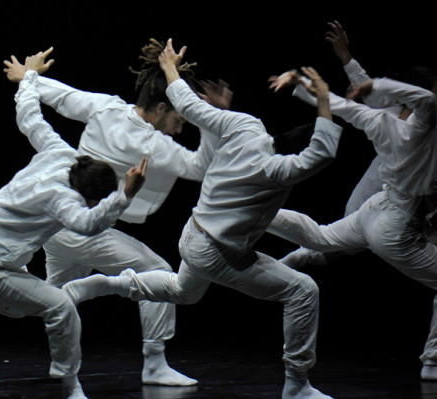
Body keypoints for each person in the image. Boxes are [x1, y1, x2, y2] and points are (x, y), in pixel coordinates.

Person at [62, 39, 344, 399]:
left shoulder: (246, 127)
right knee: (303, 291)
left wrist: (170, 70)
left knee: (183, 292)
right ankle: (297, 384)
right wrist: (323, 101)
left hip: (193, 235)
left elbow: (192, 107)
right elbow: (321, 154)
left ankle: (106, 285)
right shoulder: (278, 170)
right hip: (217, 251)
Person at [0, 40, 228, 387]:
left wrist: (28, 77)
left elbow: (62, 96)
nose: (179, 127)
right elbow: (202, 167)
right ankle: (154, 363)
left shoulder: (107, 107)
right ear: (159, 107)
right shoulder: (155, 146)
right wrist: (211, 122)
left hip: (56, 225)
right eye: (179, 118)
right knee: (156, 271)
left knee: (51, 297)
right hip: (84, 226)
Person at [0, 52, 147, 399]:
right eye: (94, 200)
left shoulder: (62, 152)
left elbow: (31, 118)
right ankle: (71, 385)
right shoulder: (65, 201)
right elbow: (86, 225)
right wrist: (124, 196)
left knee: (13, 305)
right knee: (58, 305)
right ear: (86, 195)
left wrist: (29, 78)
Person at [266, 23, 437, 380]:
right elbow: (426, 101)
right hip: (397, 227)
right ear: (421, 95)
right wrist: (376, 85)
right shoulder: (423, 124)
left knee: (321, 236)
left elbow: (337, 105)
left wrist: (301, 86)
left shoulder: (379, 120)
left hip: (376, 209)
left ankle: (261, 214)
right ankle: (433, 362)